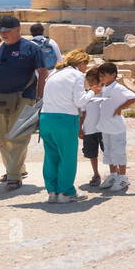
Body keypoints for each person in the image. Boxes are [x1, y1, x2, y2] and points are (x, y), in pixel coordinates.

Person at [0, 15, 49, 190]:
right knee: (1, 137)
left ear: (18, 30)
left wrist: (39, 98)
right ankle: (16, 168)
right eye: (1, 31)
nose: (3, 34)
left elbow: (43, 72)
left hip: (24, 97)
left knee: (18, 136)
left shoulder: (31, 48)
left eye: (7, 31)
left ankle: (13, 176)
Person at [40, 48, 92, 203]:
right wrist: (92, 92)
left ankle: (52, 192)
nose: (86, 68)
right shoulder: (76, 75)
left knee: (51, 157)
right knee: (67, 157)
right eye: (86, 64)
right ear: (81, 62)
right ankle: (66, 192)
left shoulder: (54, 73)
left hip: (46, 118)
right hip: (65, 119)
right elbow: (80, 101)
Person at [93, 63, 135, 192]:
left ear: (113, 75)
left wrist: (120, 108)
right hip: (106, 126)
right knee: (109, 151)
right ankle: (113, 175)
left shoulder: (118, 87)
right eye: (100, 75)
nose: (101, 77)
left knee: (119, 152)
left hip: (117, 127)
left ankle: (122, 177)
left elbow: (133, 97)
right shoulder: (105, 87)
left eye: (104, 75)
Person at [80, 67, 106, 187]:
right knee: (92, 153)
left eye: (92, 82)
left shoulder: (106, 93)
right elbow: (82, 113)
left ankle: (114, 173)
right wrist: (80, 128)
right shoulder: (86, 95)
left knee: (109, 151)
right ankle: (96, 174)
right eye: (89, 82)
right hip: (89, 129)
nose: (90, 84)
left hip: (104, 129)